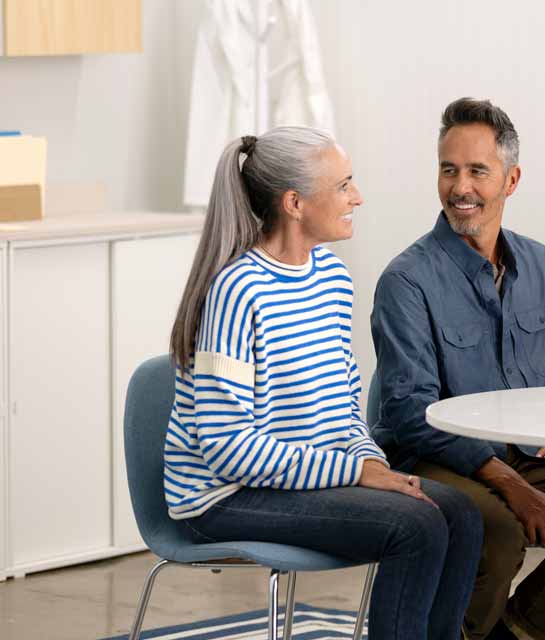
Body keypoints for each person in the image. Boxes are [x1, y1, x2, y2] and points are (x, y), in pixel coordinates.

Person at [163, 126, 483, 640]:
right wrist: (355, 473)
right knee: (415, 527)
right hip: (225, 496)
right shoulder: (236, 290)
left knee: (462, 515)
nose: (357, 197)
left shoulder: (331, 278)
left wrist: (370, 461)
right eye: (343, 186)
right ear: (294, 202)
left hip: (299, 479)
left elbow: (343, 409)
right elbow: (225, 450)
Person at [369, 98, 545, 640]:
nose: (460, 187)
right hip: (435, 459)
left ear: (511, 179)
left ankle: (516, 633)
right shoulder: (406, 281)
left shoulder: (541, 264)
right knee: (494, 530)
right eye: (448, 170)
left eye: (478, 170)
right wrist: (509, 484)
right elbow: (410, 412)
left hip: (529, 456)